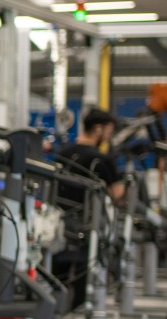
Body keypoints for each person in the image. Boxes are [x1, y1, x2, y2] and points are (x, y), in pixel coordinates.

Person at [52, 107, 124, 306]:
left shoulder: (63, 154)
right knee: (84, 278)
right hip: (88, 227)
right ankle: (79, 313)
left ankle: (55, 317)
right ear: (98, 129)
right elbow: (117, 195)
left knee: (57, 277)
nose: (109, 137)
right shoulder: (102, 159)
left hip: (58, 224)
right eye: (109, 132)